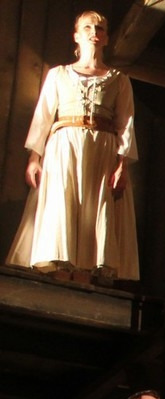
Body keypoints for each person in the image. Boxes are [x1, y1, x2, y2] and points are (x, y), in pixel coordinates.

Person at [7, 10, 139, 284]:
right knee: (63, 207)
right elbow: (43, 117)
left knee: (93, 211)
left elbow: (125, 123)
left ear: (106, 38)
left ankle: (82, 283)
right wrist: (34, 158)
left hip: (101, 151)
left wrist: (122, 164)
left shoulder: (118, 79)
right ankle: (59, 283)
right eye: (88, 27)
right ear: (76, 35)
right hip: (64, 149)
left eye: (100, 28)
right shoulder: (58, 75)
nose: (94, 32)